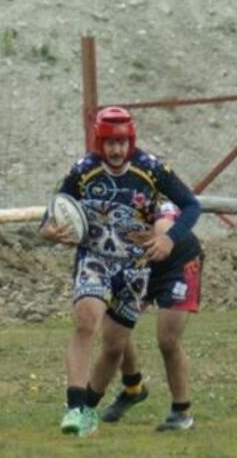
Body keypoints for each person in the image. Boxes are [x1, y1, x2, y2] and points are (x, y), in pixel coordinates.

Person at [39, 106, 200, 438]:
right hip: (95, 260)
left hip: (136, 269)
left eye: (122, 142)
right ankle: (74, 407)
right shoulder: (83, 171)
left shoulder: (152, 170)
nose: (115, 149)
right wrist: (49, 230)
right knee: (86, 321)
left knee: (115, 346)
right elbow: (54, 210)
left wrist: (168, 238)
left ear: (131, 140)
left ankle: (99, 406)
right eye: (109, 142)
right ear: (99, 141)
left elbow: (191, 205)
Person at [101, 202, 205, 431]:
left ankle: (181, 412)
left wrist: (156, 234)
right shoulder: (108, 195)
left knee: (168, 341)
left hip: (179, 265)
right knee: (116, 328)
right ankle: (132, 387)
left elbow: (164, 225)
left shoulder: (156, 195)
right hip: (139, 265)